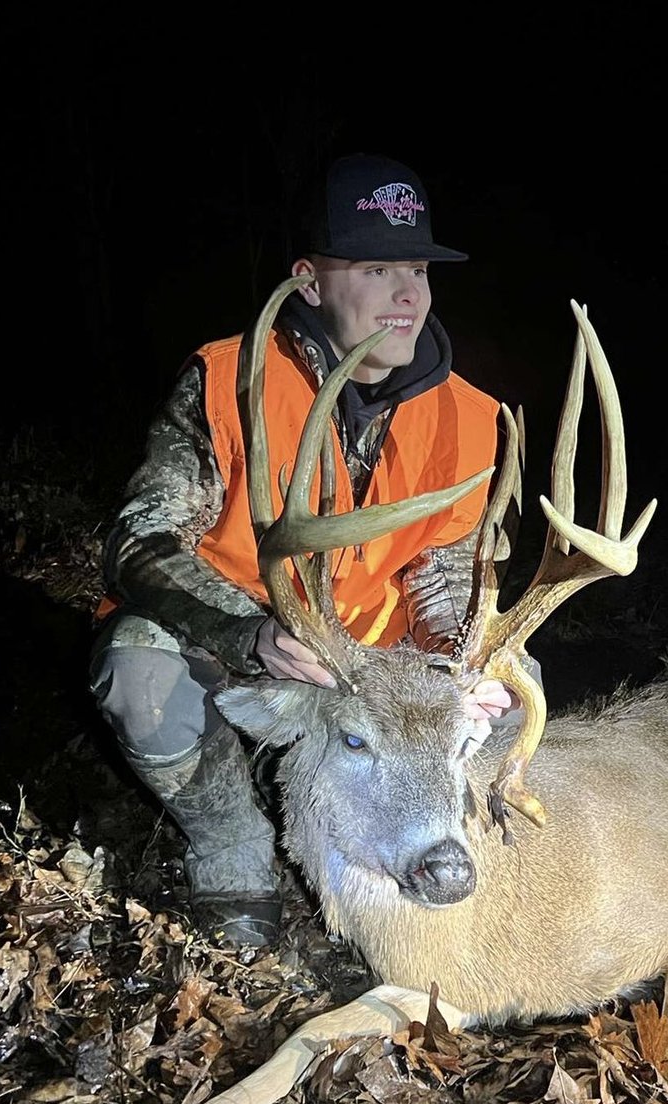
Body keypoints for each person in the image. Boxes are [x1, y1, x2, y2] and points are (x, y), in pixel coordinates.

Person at [90, 153, 517, 948]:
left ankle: (432, 851)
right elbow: (136, 540)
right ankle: (233, 849)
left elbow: (450, 569)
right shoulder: (226, 381)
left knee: (515, 697)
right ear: (311, 281)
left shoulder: (471, 418)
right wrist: (249, 631)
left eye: (418, 269)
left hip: (375, 667)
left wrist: (469, 656)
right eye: (376, 267)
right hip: (228, 643)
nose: (407, 294)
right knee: (137, 671)